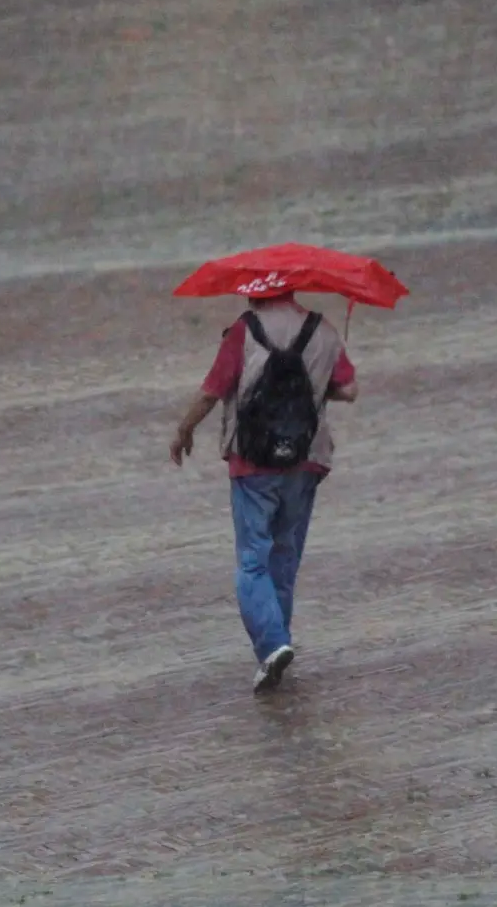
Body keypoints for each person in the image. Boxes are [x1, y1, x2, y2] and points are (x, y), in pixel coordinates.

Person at [169, 291, 358, 693]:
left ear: (255, 291)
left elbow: (211, 391)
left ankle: (272, 645)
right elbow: (349, 390)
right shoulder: (323, 329)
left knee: (253, 559)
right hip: (306, 459)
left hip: (252, 463)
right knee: (284, 557)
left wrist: (183, 430)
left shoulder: (243, 331)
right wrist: (315, 377)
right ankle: (277, 645)